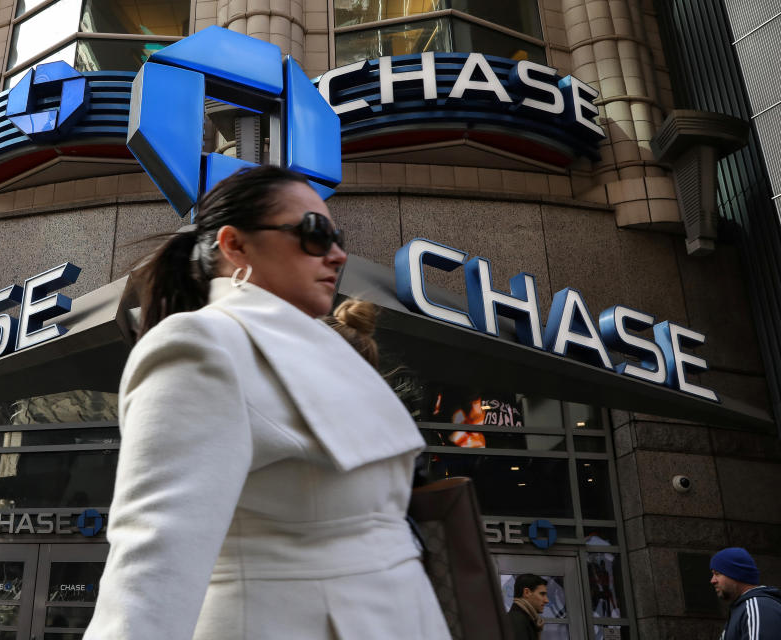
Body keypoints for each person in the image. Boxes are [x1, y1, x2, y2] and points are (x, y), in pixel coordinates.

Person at [85, 166, 451, 639]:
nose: (338, 255)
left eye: (338, 237)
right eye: (314, 234)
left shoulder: (323, 350)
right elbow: (153, 556)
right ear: (235, 245)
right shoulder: (201, 344)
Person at [710, 547, 781, 639]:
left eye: (717, 573)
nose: (712, 580)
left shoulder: (759, 606)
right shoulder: (743, 608)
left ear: (736, 574)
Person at [507, 573, 548, 640]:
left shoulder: (523, 619)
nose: (547, 600)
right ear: (527, 592)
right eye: (542, 594)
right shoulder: (517, 621)